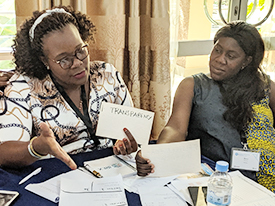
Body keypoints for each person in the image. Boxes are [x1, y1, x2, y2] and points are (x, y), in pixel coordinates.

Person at [136, 21, 275, 193]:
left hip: (266, 178)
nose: (219, 59)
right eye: (217, 50)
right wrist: (155, 154)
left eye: (231, 56)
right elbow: (175, 129)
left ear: (246, 61)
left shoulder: (265, 87)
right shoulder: (193, 85)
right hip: (217, 180)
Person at [0, 5, 137, 170]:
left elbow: (131, 131)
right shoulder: (23, 88)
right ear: (44, 61)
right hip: (55, 175)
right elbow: (4, 151)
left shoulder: (106, 74)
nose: (78, 63)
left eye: (80, 50)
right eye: (64, 59)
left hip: (110, 170)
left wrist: (126, 145)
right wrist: (36, 147)